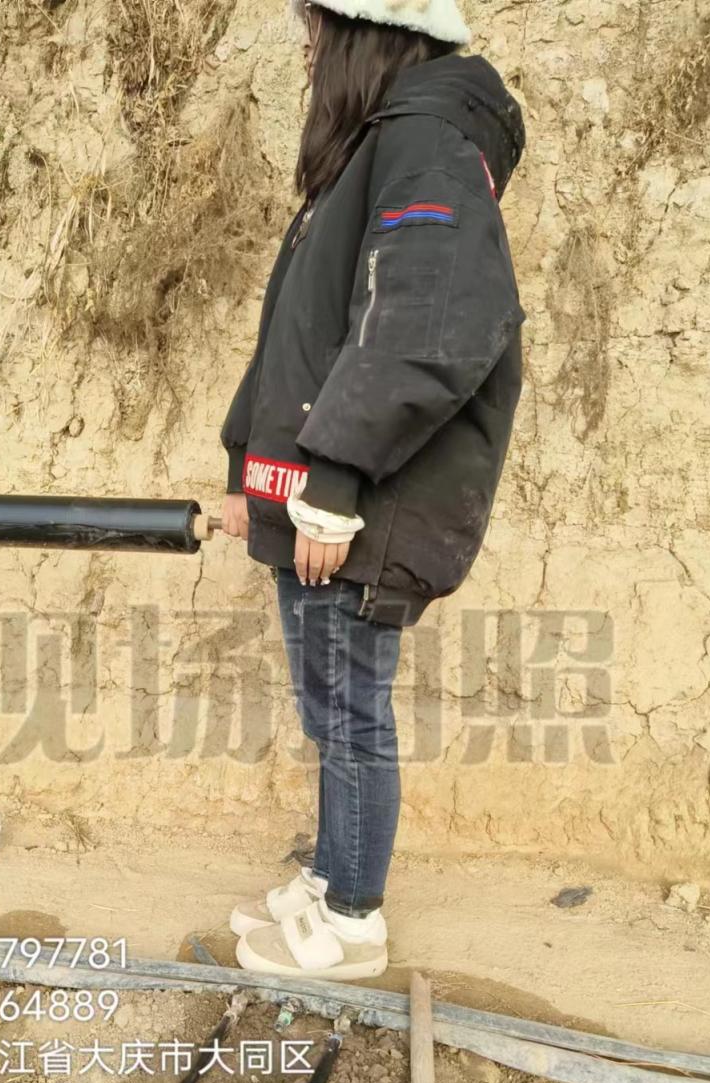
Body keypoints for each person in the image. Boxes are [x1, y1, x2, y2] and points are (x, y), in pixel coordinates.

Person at [220, 0, 526, 981]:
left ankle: (352, 918)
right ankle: (330, 876)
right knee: (330, 713)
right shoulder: (377, 148)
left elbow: (423, 324)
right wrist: (251, 472)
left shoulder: (427, 147)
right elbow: (299, 334)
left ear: (368, 35)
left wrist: (336, 481)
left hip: (359, 505)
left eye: (318, 32)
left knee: (351, 716)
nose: (308, 50)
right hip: (322, 496)